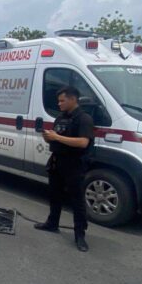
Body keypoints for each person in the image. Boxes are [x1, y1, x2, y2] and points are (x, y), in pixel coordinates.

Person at [34, 86, 94, 252]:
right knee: (54, 195)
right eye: (58, 101)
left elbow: (83, 142)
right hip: (57, 161)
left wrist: (57, 137)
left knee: (77, 201)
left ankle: (80, 235)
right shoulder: (60, 118)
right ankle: (52, 223)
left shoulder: (84, 119)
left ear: (73, 99)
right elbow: (56, 139)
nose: (59, 104)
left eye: (62, 100)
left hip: (74, 164)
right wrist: (49, 138)